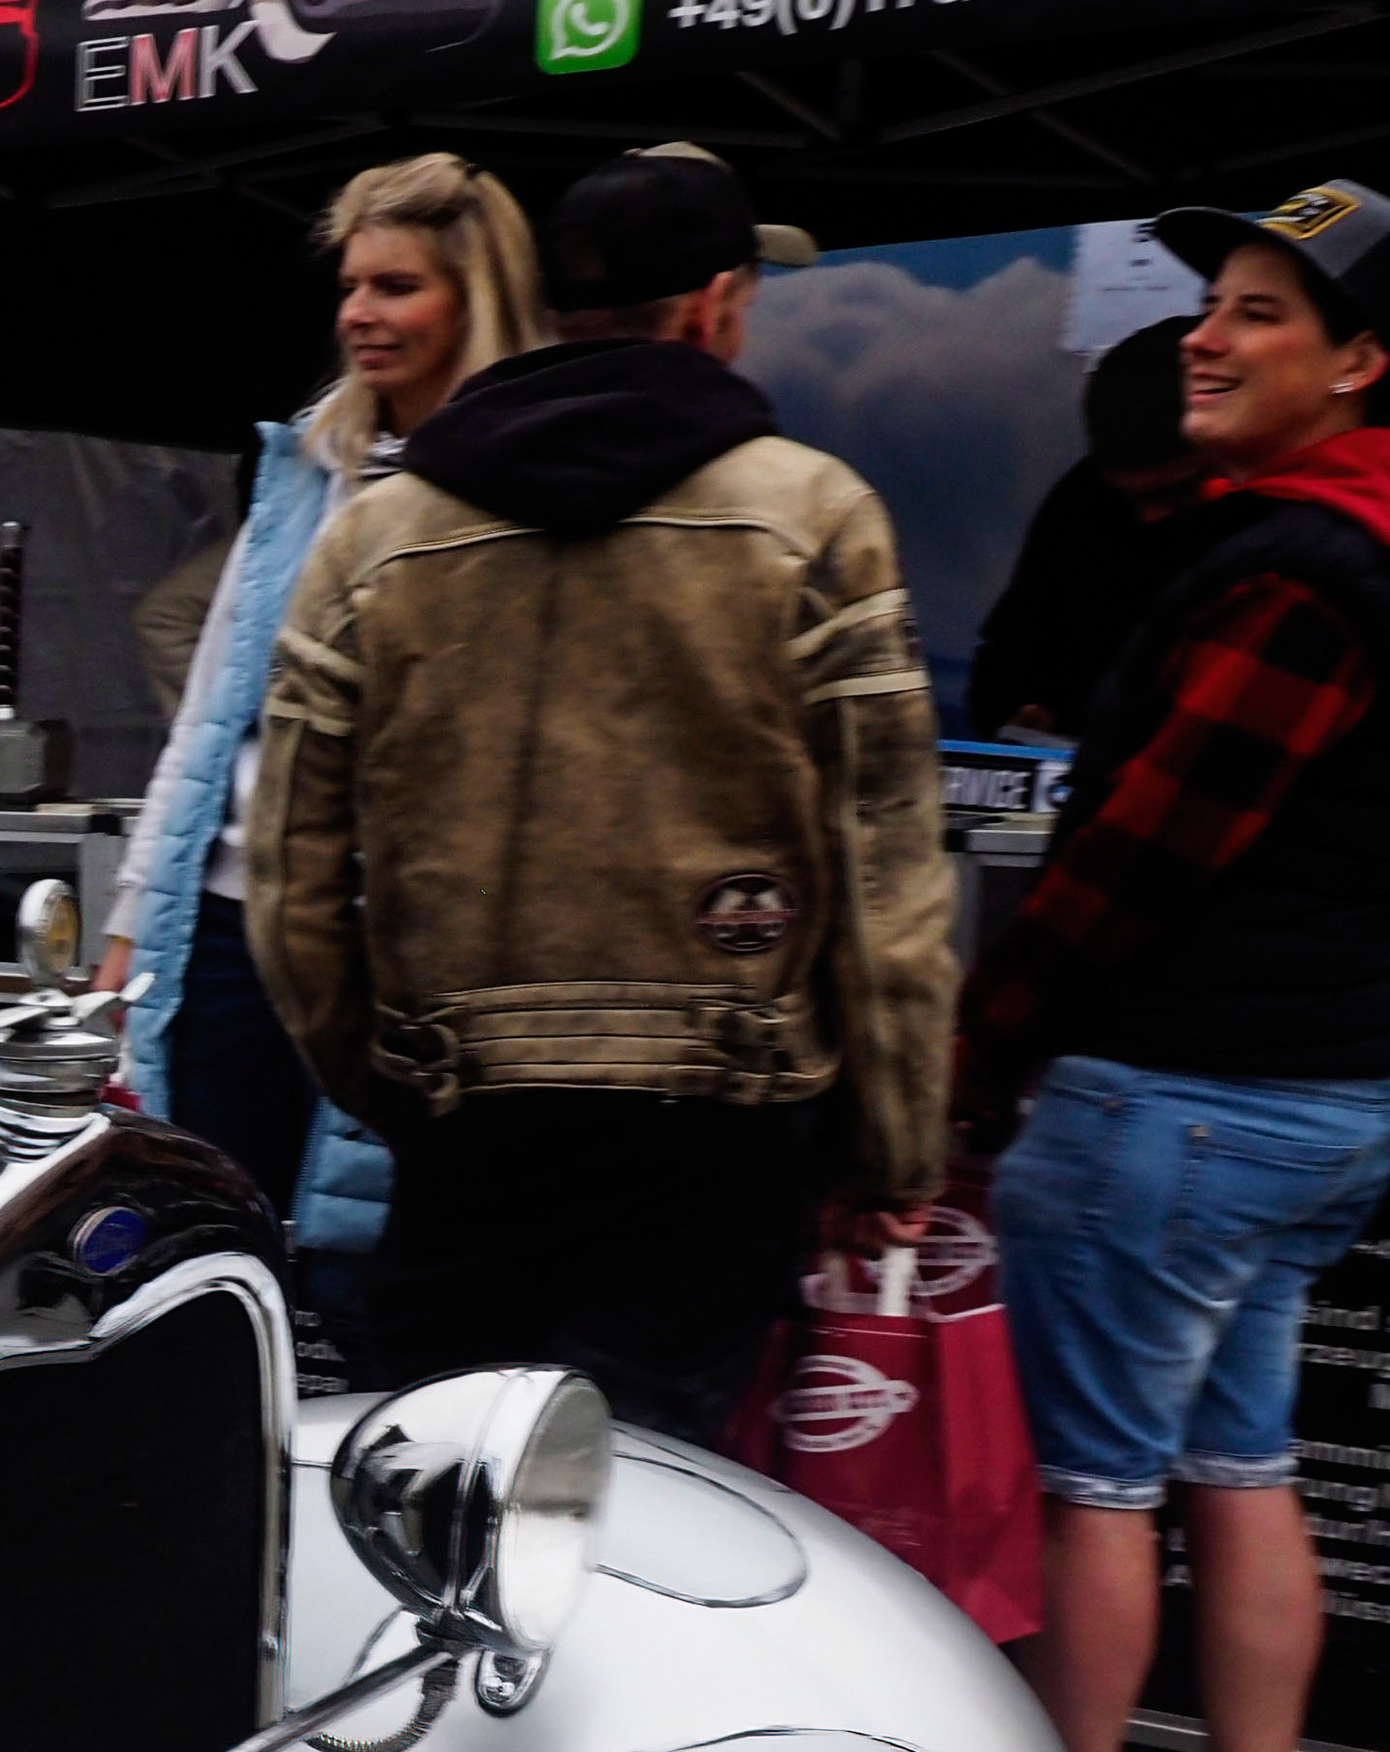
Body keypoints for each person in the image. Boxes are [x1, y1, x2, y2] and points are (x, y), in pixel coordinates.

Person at [252, 145, 949, 1438]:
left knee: (440, 1504)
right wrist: (895, 1143)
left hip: (466, 1114)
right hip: (722, 1123)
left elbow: (290, 867)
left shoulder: (378, 533)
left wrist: (387, 1078)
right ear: (716, 305)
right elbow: (888, 869)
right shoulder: (814, 515)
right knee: (647, 1519)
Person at [939, 179, 1390, 1752]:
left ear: (1366, 363)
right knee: (1241, 1460)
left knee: (1097, 1482)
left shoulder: (1299, 573)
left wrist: (985, 1053)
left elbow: (1134, 856)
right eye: (1218, 301)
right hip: (1319, 1103)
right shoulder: (1335, 543)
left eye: (1266, 313)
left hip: (1177, 1099)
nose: (1207, 332)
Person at [99, 154, 545, 1235]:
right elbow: (208, 719)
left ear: (472, 297)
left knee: (370, 1255)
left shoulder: (527, 478)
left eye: (395, 287)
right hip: (228, 925)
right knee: (207, 1233)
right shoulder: (310, 463)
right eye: (348, 286)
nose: (358, 313)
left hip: (408, 947)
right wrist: (125, 929)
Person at [966, 319, 1205, 739]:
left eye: (1175, 494)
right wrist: (1015, 713)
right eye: (1129, 498)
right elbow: (1009, 648)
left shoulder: (1283, 537)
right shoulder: (1082, 501)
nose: (1149, 520)